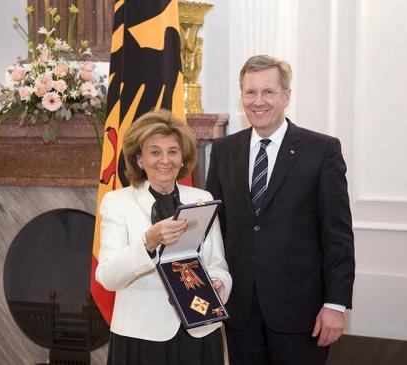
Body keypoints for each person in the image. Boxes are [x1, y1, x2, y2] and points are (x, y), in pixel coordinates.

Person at [206, 55, 355, 365]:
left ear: (286, 96)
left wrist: (335, 304)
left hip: (302, 313)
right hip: (240, 309)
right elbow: (213, 228)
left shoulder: (322, 150)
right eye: (250, 92)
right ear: (242, 96)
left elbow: (337, 234)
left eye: (268, 92)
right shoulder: (223, 151)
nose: (258, 101)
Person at [96, 109, 232, 365]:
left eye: (173, 151)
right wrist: (148, 242)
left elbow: (218, 265)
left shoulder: (201, 199)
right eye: (154, 151)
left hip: (200, 332)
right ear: (139, 159)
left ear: (183, 158)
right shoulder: (117, 203)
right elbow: (107, 277)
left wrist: (219, 284)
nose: (165, 160)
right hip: (141, 338)